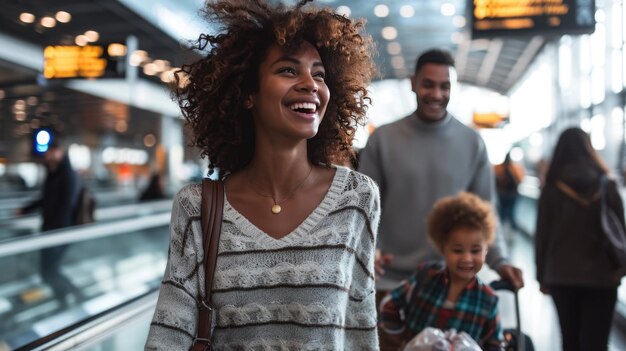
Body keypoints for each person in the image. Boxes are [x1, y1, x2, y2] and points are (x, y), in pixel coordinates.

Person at [145, 0, 379, 350]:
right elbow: (168, 336)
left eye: (319, 74)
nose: (310, 84)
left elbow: (362, 332)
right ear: (248, 94)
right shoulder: (199, 207)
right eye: (288, 70)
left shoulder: (356, 198)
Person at [535, 127, 625, 351]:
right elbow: (621, 230)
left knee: (570, 340)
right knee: (597, 343)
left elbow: (542, 236)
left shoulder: (551, 189)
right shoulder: (607, 184)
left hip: (560, 276)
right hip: (602, 276)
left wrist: (541, 276)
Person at [379, 192, 504, 351]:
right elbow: (389, 305)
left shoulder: (488, 300)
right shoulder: (425, 276)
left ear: (486, 250)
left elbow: (495, 346)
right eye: (457, 250)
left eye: (475, 251)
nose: (466, 258)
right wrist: (403, 339)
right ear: (443, 248)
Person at [18, 140, 82, 304]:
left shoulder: (68, 175)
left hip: (59, 231)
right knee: (48, 270)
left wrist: (56, 231)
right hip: (49, 229)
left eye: (52, 152)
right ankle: (68, 296)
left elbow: (67, 204)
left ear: (60, 152)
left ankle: (71, 295)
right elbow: (45, 199)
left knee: (49, 270)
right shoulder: (52, 173)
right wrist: (26, 209)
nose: (48, 156)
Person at [493, 151, 525, 232]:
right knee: (511, 214)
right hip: (512, 195)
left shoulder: (498, 167)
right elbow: (520, 180)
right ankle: (510, 232)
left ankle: (501, 231)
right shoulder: (516, 168)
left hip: (502, 194)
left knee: (502, 213)